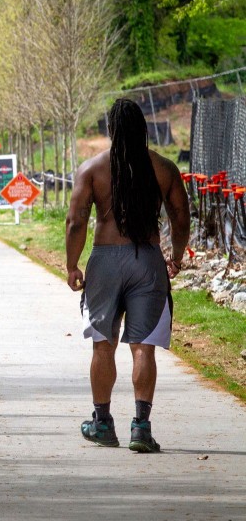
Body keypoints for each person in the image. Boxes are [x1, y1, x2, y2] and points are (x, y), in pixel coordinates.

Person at [66, 98, 190, 454]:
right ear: (144, 128)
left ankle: (102, 423)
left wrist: (72, 264)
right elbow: (181, 218)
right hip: (147, 261)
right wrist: (176, 256)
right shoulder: (164, 168)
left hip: (104, 261)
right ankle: (141, 427)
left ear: (110, 130)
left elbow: (76, 222)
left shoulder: (92, 169)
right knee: (143, 346)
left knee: (103, 344)